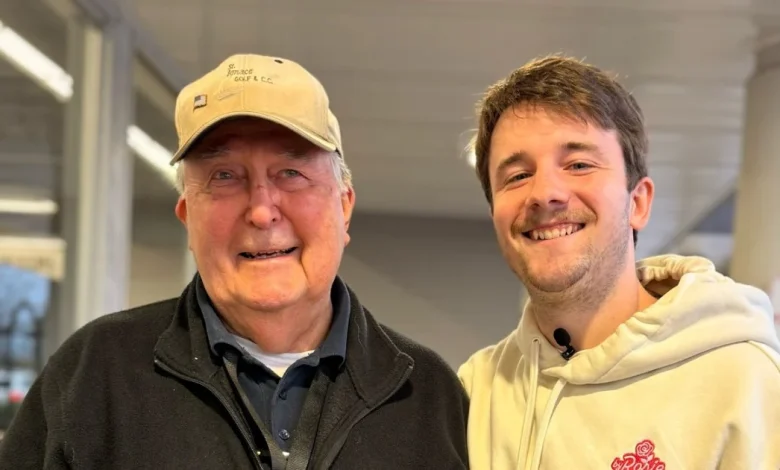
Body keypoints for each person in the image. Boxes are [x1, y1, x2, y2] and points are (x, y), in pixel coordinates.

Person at [0, 54, 469, 469]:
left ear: (343, 206)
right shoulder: (94, 376)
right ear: (188, 217)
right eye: (224, 176)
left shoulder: (427, 394)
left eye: (291, 172)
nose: (262, 211)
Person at [457, 55, 780, 469]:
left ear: (639, 203)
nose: (544, 193)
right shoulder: (476, 393)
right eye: (517, 175)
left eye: (578, 165)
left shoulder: (745, 384)